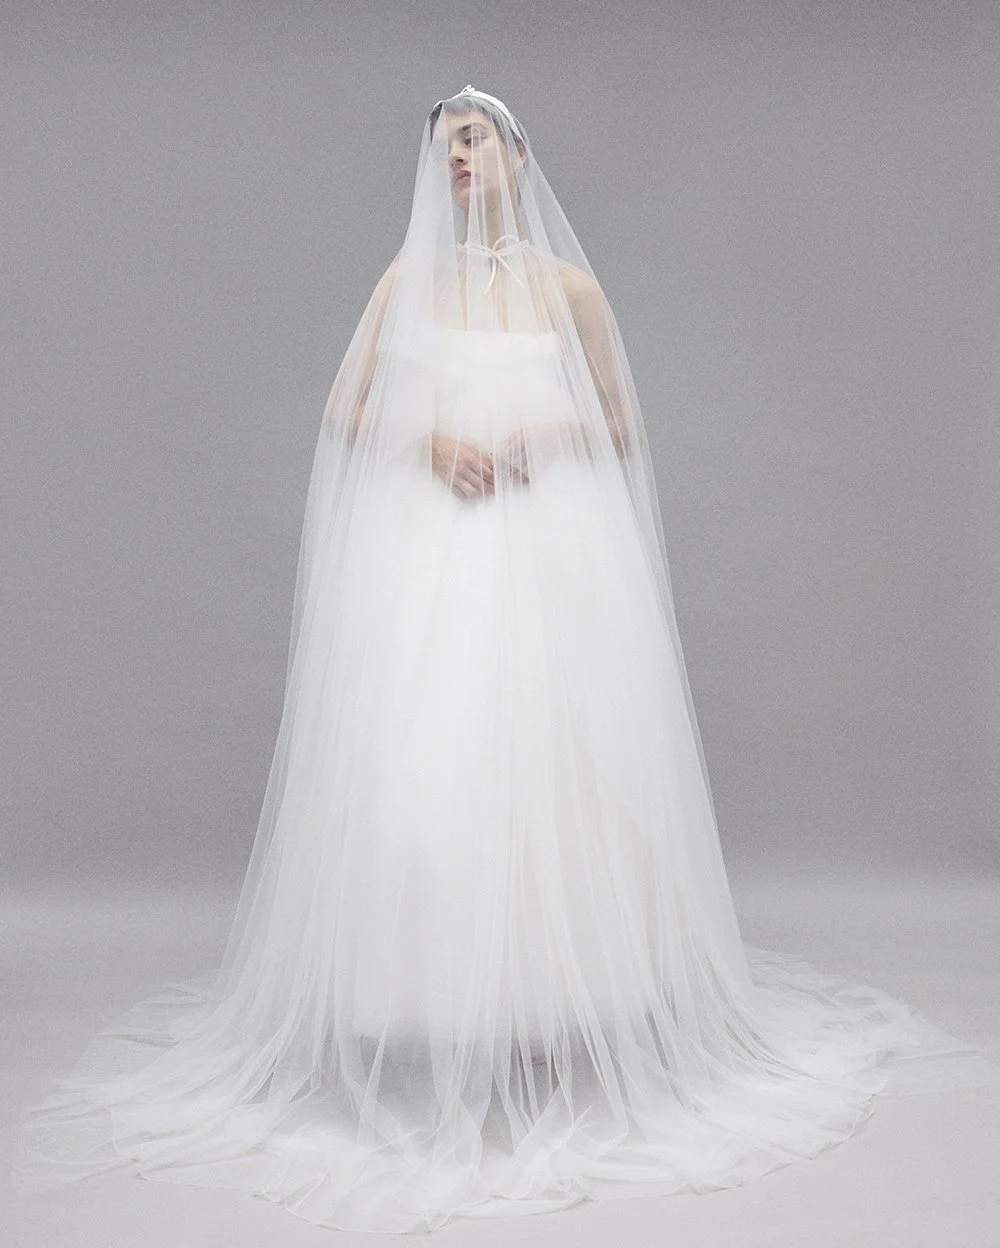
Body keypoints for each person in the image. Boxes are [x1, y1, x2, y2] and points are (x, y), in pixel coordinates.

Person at [12, 85, 1000, 1235]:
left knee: (559, 767)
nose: (457, 159)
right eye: (443, 146)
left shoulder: (569, 291)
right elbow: (344, 411)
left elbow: (623, 423)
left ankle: (548, 1004)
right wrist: (428, 438)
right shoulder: (406, 284)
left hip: (549, 551)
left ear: (520, 154)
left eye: (473, 139)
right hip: (432, 554)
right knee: (432, 769)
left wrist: (550, 430)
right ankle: (436, 1003)